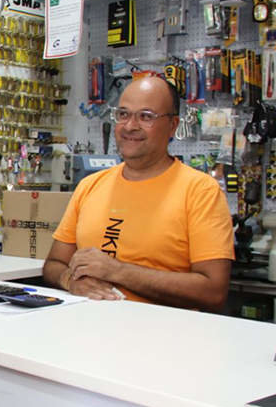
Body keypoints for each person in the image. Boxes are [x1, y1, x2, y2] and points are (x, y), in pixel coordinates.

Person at [44, 76, 234, 311]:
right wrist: (70, 281)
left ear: (173, 125)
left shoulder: (201, 191)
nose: (130, 126)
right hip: (90, 333)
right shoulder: (90, 185)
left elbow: (213, 291)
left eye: (146, 116)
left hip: (162, 339)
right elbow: (54, 264)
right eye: (123, 114)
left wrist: (117, 271)